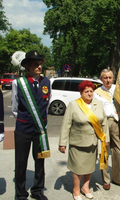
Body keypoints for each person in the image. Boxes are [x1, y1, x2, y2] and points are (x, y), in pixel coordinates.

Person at [59, 81, 109, 200]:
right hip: (78, 143)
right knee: (77, 168)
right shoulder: (73, 104)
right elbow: (66, 124)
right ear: (81, 93)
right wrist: (62, 143)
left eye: (91, 91)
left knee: (90, 167)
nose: (89, 94)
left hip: (92, 142)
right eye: (86, 91)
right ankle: (76, 189)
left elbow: (104, 122)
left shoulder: (99, 104)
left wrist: (105, 138)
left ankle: (85, 187)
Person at [12, 50, 51, 200]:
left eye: (40, 63)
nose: (39, 66)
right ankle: (21, 194)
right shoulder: (18, 83)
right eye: (35, 64)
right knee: (21, 162)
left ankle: (37, 190)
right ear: (28, 66)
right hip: (23, 129)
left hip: (40, 130)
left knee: (40, 161)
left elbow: (46, 105)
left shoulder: (47, 82)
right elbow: (15, 108)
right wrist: (26, 119)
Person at [94, 69, 120, 190]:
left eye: (110, 77)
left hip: (118, 121)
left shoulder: (118, 89)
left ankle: (117, 178)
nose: (108, 80)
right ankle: (106, 179)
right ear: (101, 79)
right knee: (105, 151)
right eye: (105, 78)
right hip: (105, 122)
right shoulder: (97, 92)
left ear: (113, 78)